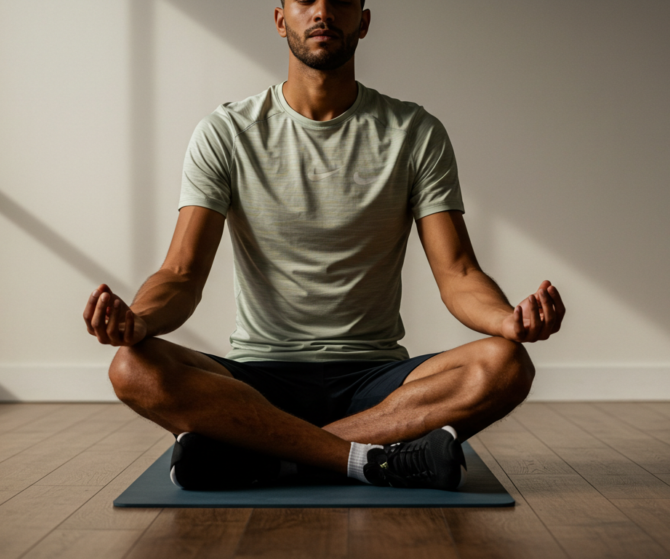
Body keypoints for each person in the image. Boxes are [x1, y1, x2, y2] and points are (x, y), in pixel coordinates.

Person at [83, 0, 565, 491]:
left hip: (378, 382)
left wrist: (506, 319)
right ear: (279, 19)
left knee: (505, 364)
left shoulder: (414, 132)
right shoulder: (226, 133)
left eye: (338, 1)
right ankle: (369, 460)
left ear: (364, 19)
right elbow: (181, 274)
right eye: (305, 1)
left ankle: (266, 453)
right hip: (259, 380)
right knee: (132, 367)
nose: (322, 12)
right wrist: (138, 320)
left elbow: (459, 274)